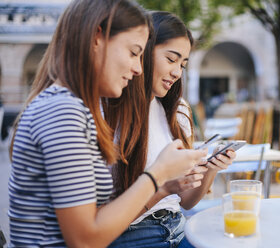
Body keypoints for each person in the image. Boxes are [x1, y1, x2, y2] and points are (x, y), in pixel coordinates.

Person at [7, 1, 206, 247]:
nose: (137, 68)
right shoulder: (63, 112)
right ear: (97, 38)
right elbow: (85, 239)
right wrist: (157, 175)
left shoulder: (67, 107)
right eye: (134, 53)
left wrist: (164, 187)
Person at [109, 11, 236, 248]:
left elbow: (186, 202)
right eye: (171, 59)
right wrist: (163, 185)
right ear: (143, 52)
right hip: (132, 237)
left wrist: (210, 169)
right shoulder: (110, 109)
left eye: (183, 65)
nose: (177, 73)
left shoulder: (177, 112)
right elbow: (104, 222)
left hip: (180, 227)